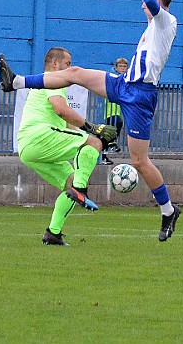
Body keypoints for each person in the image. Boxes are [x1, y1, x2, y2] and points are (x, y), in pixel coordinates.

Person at [0, 0, 181, 242]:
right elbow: (147, 3)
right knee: (76, 73)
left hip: (141, 97)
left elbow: (148, 0)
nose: (143, 8)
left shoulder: (166, 21)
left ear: (160, 4)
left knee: (139, 161)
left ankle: (168, 210)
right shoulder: (152, 26)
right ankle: (16, 81)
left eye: (149, 5)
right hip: (124, 85)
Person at [17, 47, 118, 246]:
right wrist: (94, 130)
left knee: (70, 181)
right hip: (39, 135)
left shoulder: (43, 83)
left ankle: (53, 233)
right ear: (55, 63)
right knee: (94, 142)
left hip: (28, 147)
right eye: (67, 64)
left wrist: (88, 133)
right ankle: (81, 188)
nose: (69, 68)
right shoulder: (52, 80)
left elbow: (66, 124)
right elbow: (62, 110)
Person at [100, 57, 129, 165]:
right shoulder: (113, 78)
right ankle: (112, 143)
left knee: (106, 135)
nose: (122, 68)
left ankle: (104, 155)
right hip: (110, 111)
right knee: (117, 124)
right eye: (120, 66)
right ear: (116, 68)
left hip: (118, 110)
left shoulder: (126, 79)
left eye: (124, 66)